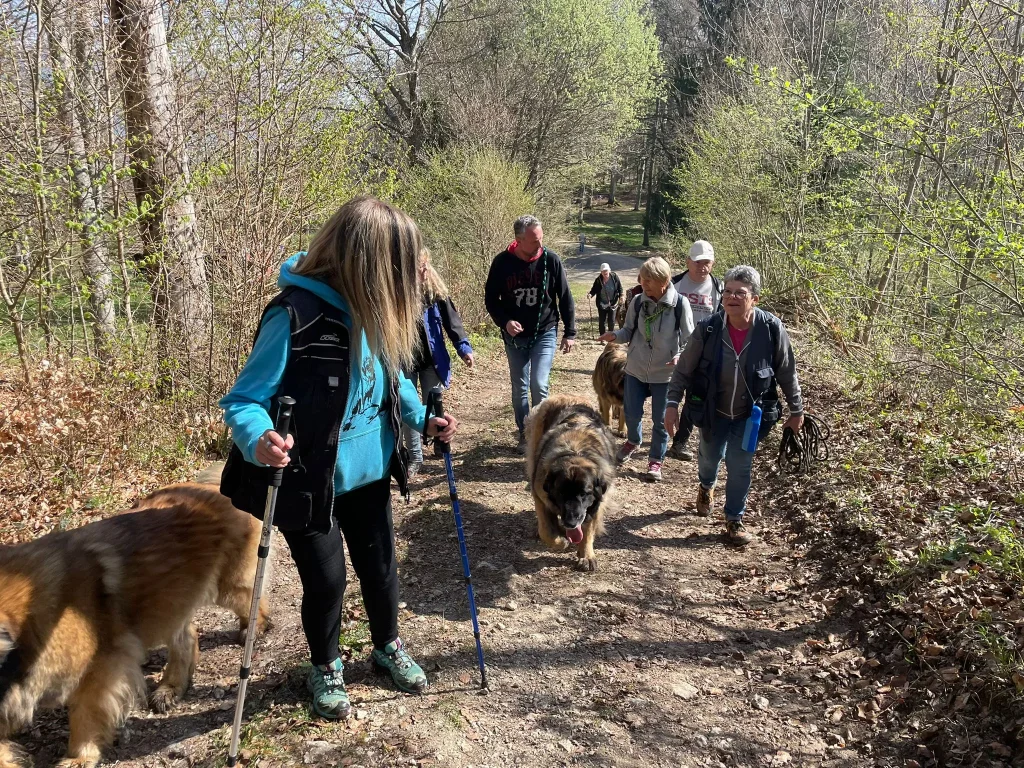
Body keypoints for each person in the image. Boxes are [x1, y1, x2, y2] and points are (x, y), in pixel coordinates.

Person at [218, 196, 459, 721]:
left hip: (370, 471)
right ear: (369, 263)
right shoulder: (294, 315)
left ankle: (387, 646)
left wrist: (423, 419)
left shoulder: (376, 309)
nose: (409, 279)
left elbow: (394, 380)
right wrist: (259, 438)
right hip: (309, 479)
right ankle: (326, 666)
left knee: (381, 566)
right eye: (400, 266)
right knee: (327, 581)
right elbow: (243, 401)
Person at [665, 265, 803, 546]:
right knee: (709, 457)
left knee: (740, 465)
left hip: (749, 416)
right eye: (727, 291)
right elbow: (684, 370)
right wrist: (671, 404)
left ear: (755, 299)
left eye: (740, 293)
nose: (732, 297)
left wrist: (796, 409)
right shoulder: (709, 328)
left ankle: (734, 519)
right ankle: (706, 486)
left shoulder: (771, 329)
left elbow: (787, 371)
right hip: (712, 411)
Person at [485, 214, 576, 454]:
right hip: (514, 337)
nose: (540, 244)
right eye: (534, 240)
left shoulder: (551, 260)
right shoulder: (502, 263)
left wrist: (570, 332)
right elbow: (491, 300)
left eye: (541, 238)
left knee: (539, 383)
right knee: (520, 387)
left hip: (545, 330)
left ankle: (542, 434)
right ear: (519, 240)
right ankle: (525, 433)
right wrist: (505, 322)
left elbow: (565, 297)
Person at [599, 256, 693, 482]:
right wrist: (614, 336)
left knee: (660, 420)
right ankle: (633, 440)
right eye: (643, 279)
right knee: (631, 413)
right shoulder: (638, 302)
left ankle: (655, 460)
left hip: (665, 374)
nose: (644, 283)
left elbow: (689, 340)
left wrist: (680, 356)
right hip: (636, 368)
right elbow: (627, 331)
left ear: (664, 280)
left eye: (649, 280)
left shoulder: (680, 304)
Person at [402, 250, 474, 478]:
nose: (424, 271)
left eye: (425, 266)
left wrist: (464, 348)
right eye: (419, 268)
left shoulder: (434, 291)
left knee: (433, 406)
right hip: (403, 361)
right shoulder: (395, 294)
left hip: (432, 361)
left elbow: (452, 322)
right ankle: (415, 457)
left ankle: (439, 441)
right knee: (410, 409)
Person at [668, 240, 724, 461]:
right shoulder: (675, 285)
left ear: (713, 263)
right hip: (674, 348)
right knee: (668, 394)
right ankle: (660, 435)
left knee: (695, 395)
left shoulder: (719, 288)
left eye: (707, 262)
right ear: (688, 262)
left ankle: (680, 442)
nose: (702, 266)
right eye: (698, 262)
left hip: (704, 353)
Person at [588, 263, 623, 335]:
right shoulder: (598, 280)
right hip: (602, 303)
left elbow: (620, 288)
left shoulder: (614, 277)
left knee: (611, 321)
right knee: (602, 321)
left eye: (606, 270)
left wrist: (621, 296)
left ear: (609, 270)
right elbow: (594, 290)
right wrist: (590, 294)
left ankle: (610, 336)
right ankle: (602, 336)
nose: (605, 272)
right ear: (601, 272)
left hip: (613, 303)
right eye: (603, 271)